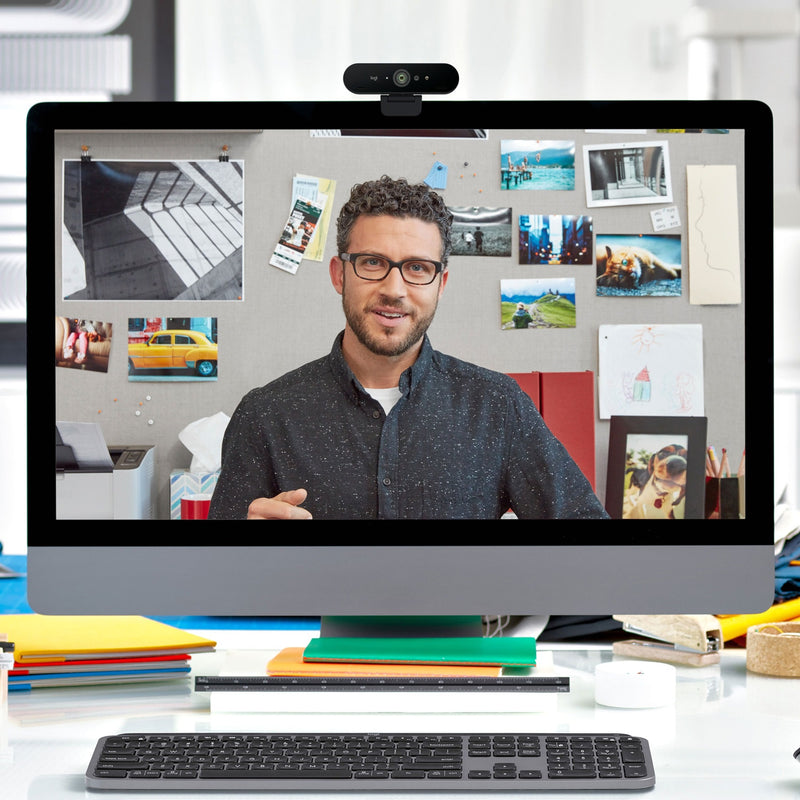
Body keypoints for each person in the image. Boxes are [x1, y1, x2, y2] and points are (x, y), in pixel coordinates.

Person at [208, 175, 608, 520]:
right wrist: (239, 554)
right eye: (371, 262)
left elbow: (591, 549)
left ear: (441, 284)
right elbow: (215, 581)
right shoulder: (264, 414)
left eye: (417, 268)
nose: (394, 290)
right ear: (339, 274)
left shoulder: (498, 407)